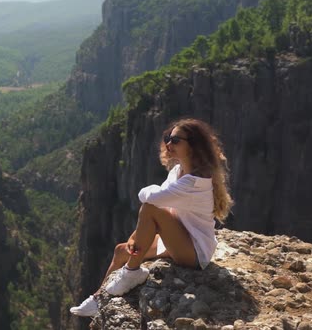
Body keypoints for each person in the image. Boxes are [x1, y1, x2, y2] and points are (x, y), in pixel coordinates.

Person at [70, 118, 233, 317]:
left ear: (193, 146)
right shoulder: (178, 171)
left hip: (195, 250)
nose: (168, 144)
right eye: (168, 138)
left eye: (176, 140)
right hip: (179, 238)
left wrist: (149, 194)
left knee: (150, 208)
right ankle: (98, 299)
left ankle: (132, 273)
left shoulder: (194, 183)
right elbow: (162, 201)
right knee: (121, 250)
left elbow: (152, 199)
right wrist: (135, 238)